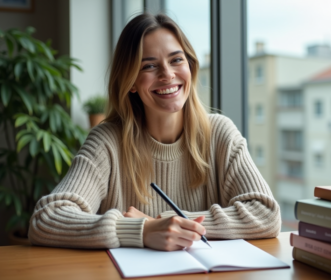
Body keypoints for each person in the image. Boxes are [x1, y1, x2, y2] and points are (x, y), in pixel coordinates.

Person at [28, 13, 281, 251]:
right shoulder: (107, 141)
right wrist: (141, 231)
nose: (168, 75)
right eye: (149, 66)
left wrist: (164, 221)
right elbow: (46, 219)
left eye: (176, 60)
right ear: (131, 82)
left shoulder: (220, 133)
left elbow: (266, 214)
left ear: (191, 68)